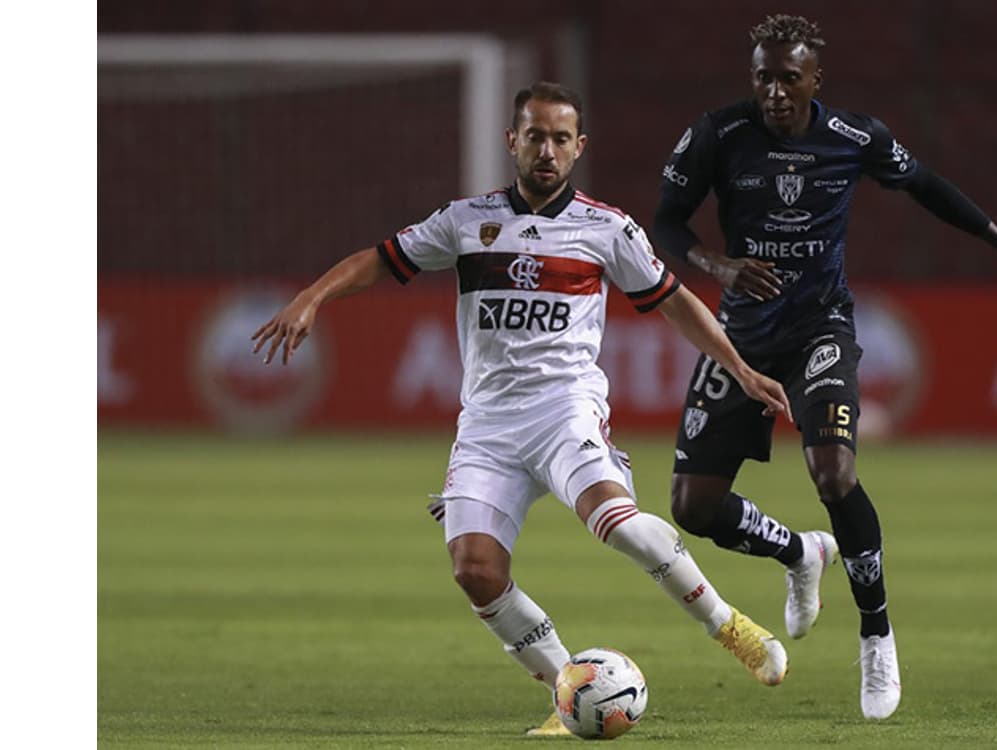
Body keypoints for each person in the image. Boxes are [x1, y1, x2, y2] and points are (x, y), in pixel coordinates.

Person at [252, 82, 796, 737]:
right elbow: (381, 259)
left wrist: (737, 366)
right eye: (535, 135)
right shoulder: (463, 221)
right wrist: (312, 297)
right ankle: (570, 691)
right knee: (474, 570)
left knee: (618, 524)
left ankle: (727, 625)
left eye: (560, 138)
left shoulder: (606, 228)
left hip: (564, 411)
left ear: (578, 147)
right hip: (486, 427)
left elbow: (675, 299)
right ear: (512, 141)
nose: (547, 149)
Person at [652, 15, 997, 721]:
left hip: (820, 327)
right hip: (742, 336)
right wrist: (719, 263)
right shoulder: (717, 135)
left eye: (789, 77)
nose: (775, 91)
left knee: (834, 473)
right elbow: (666, 222)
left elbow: (930, 186)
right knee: (691, 508)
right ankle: (799, 553)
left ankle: (877, 634)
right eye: (763, 77)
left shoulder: (854, 138)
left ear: (817, 79)